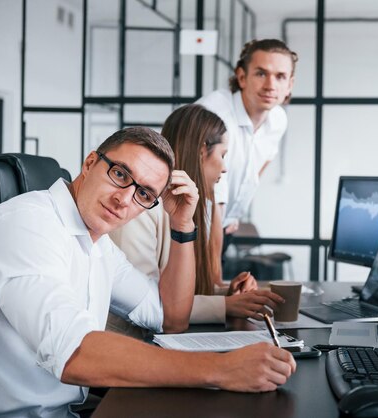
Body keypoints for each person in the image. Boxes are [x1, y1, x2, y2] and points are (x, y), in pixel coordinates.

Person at [0, 127, 296, 417]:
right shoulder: (28, 224)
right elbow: (74, 352)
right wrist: (222, 368)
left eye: (143, 194)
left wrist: (182, 225)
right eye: (119, 174)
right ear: (89, 164)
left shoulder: (97, 242)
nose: (123, 199)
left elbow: (170, 317)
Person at [109, 105, 284, 326]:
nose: (225, 168)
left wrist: (227, 294)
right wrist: (226, 306)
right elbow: (147, 302)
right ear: (202, 151)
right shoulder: (142, 209)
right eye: (223, 155)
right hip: (132, 342)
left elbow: (180, 292)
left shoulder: (199, 209)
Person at [197, 38, 298, 254]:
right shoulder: (216, 114)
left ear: (289, 84)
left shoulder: (278, 119)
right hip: (186, 225)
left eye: (280, 76)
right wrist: (216, 283)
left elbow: (261, 162)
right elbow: (214, 196)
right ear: (242, 77)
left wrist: (234, 214)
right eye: (261, 73)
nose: (270, 85)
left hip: (222, 224)